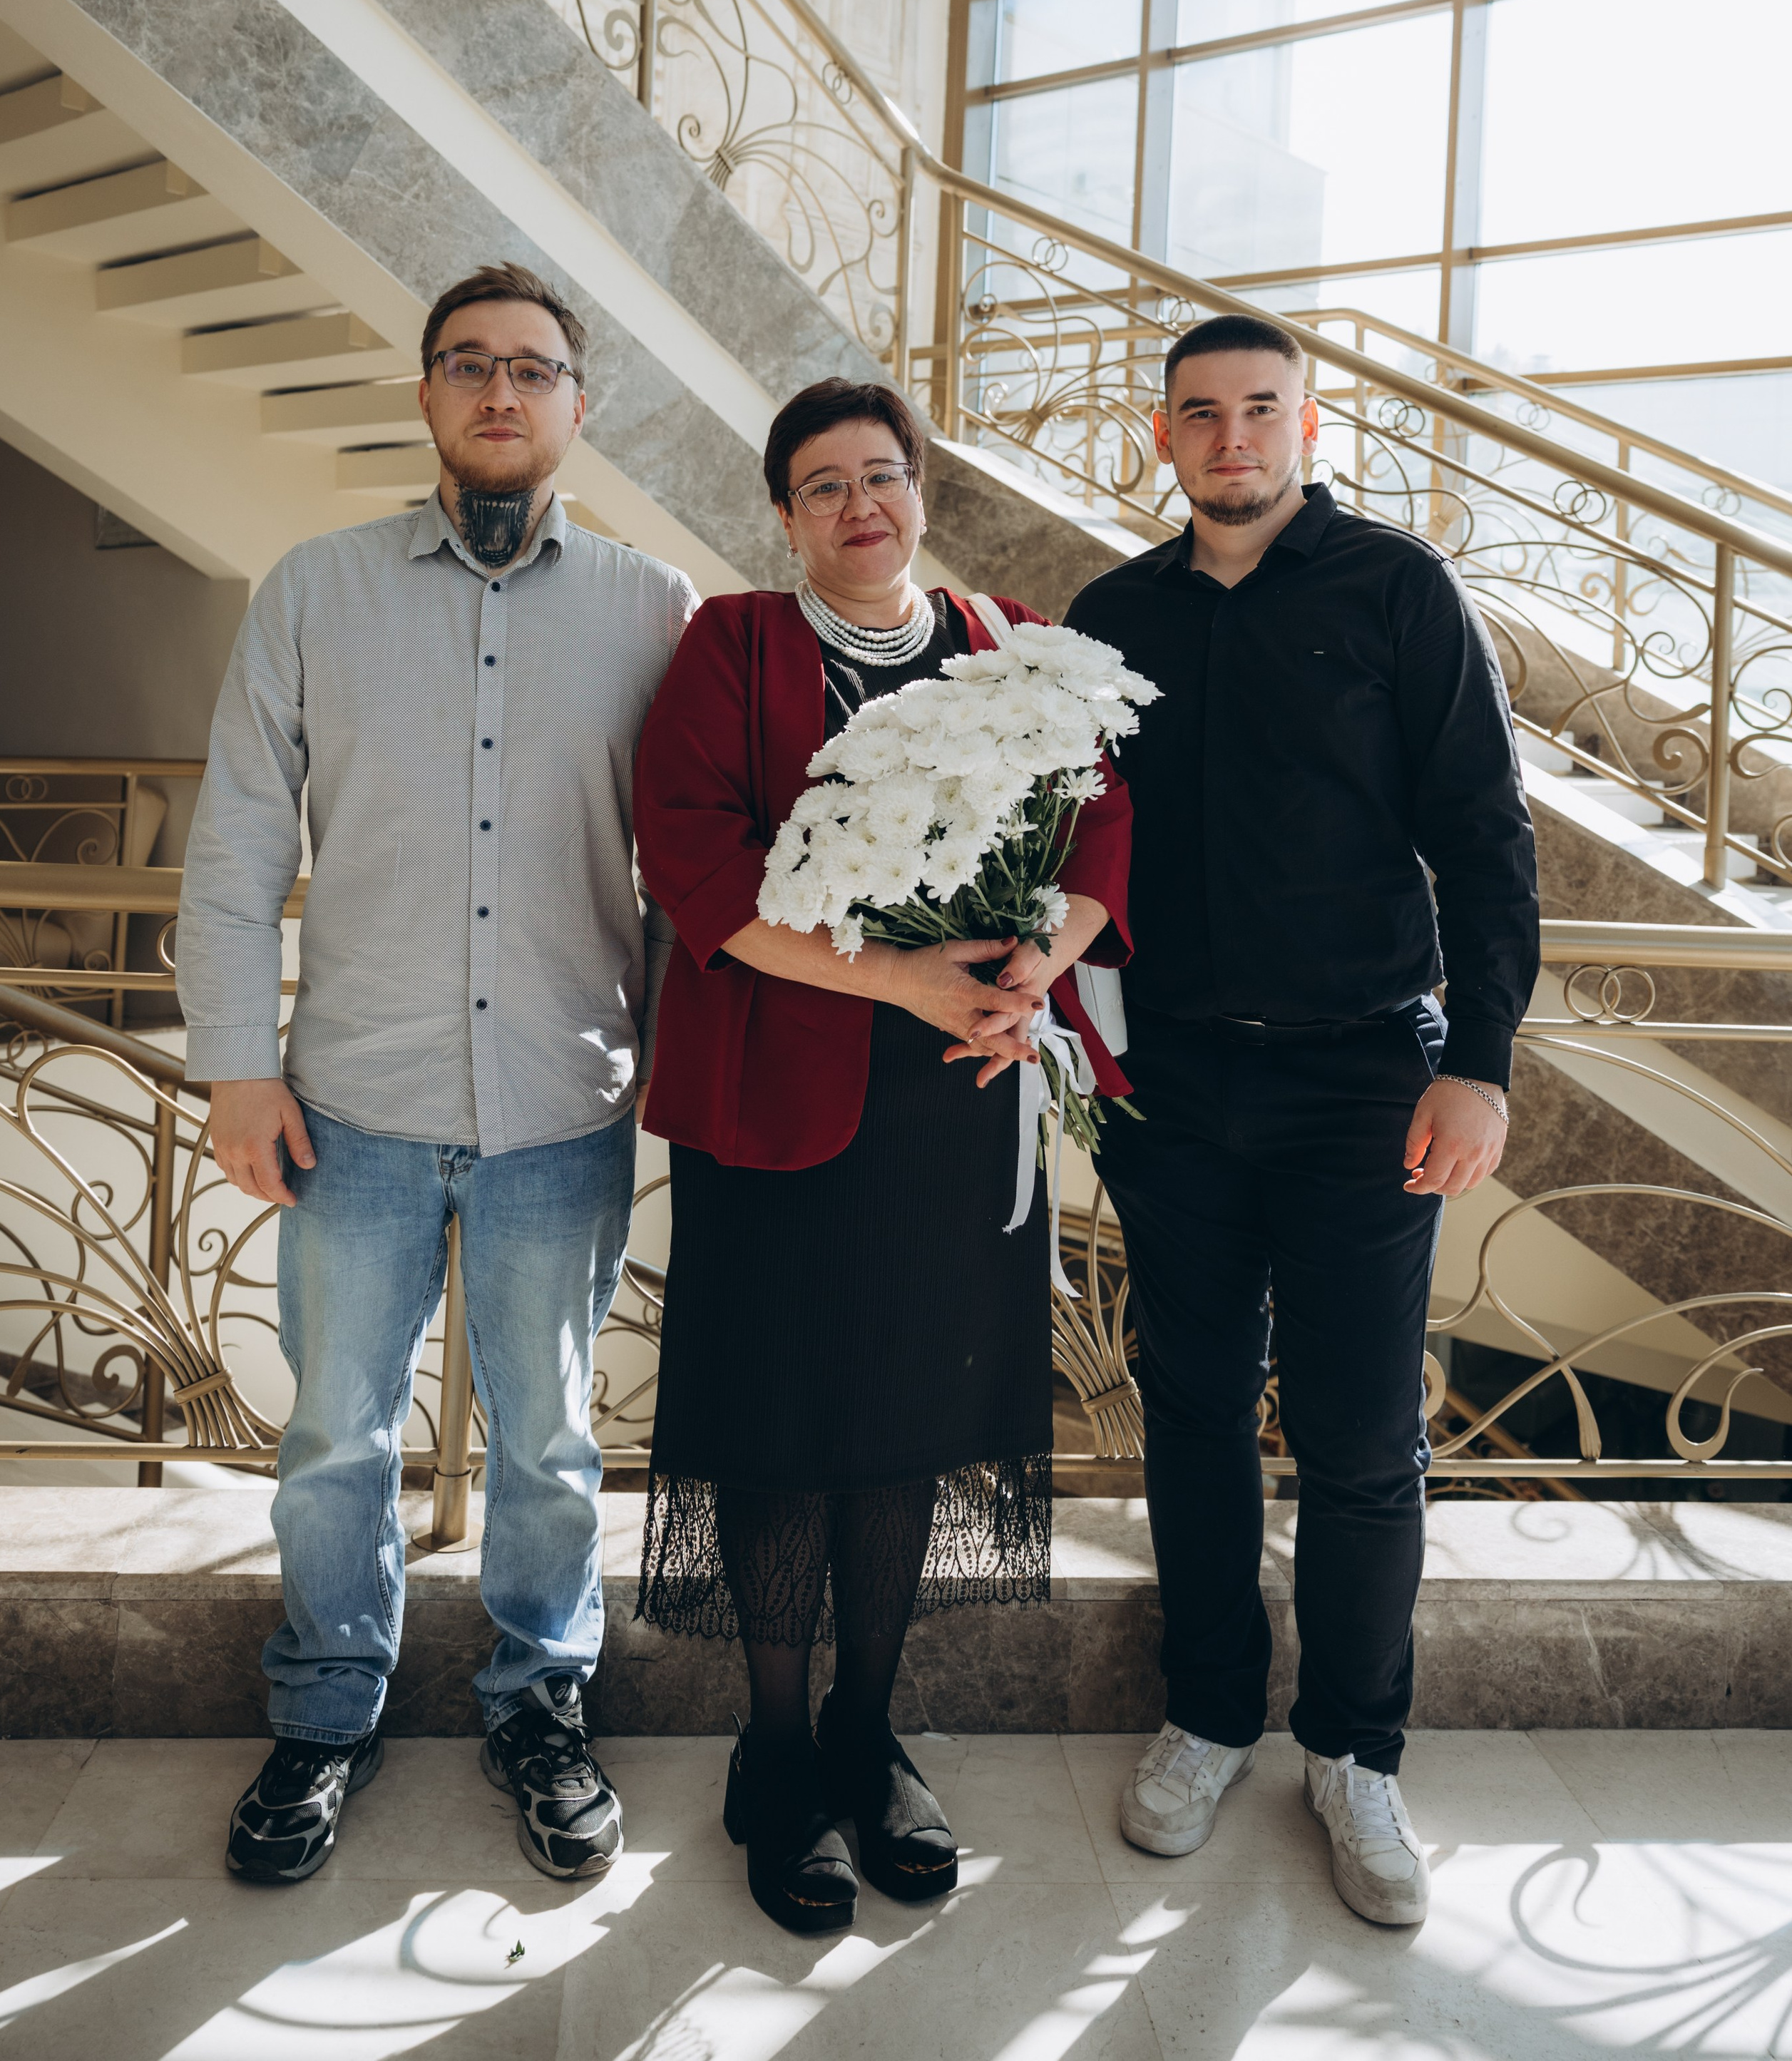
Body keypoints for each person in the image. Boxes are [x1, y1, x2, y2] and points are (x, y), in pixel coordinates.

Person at [177, 260, 696, 1886]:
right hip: (352, 1107)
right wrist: (236, 1069)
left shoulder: (654, 609)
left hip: (564, 1101)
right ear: (423, 396)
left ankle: (541, 1706)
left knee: (547, 1438)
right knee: (334, 1432)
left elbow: (693, 877)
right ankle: (327, 1712)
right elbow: (239, 842)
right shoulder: (314, 590)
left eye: (530, 370)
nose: (498, 392)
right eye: (466, 366)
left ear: (574, 407)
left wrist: (691, 1081)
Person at [632, 375, 1132, 1935]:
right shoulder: (734, 646)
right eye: (823, 485)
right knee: (785, 1424)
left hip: (951, 1101)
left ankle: (867, 1728)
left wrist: (1024, 982)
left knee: (907, 1422)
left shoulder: (1009, 643)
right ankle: (772, 1752)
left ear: (920, 491)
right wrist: (900, 976)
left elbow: (1102, 830)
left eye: (882, 476)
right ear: (783, 515)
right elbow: (695, 860)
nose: (860, 506)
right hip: (780, 1109)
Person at [1066, 312, 1539, 1928]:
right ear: (1161, 437)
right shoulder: (1108, 615)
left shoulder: (1396, 590)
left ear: (1305, 424)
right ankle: (1206, 1715)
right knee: (1190, 1411)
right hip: (1173, 1085)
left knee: (1356, 1440)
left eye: (1257, 409)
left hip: (1362, 1080)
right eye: (1197, 414)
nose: (1228, 438)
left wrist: (1475, 1060)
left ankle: (1352, 1751)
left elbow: (1481, 834)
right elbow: (1073, 852)